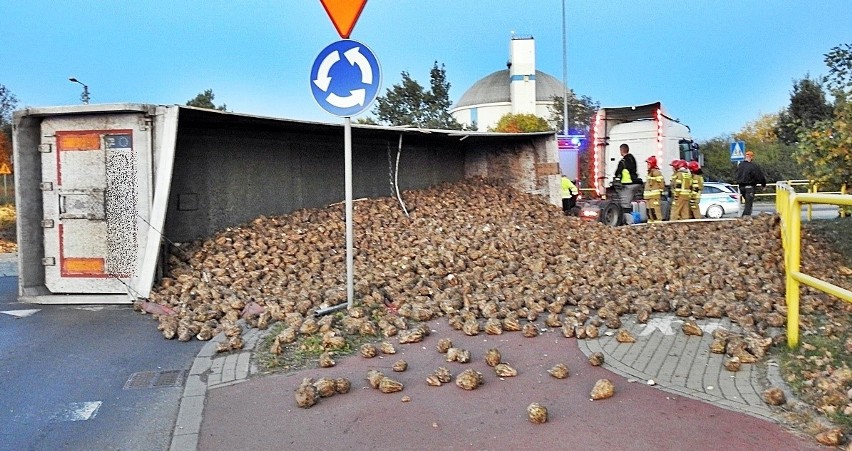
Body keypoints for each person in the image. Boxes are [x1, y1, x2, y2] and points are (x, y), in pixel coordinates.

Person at [735, 150, 766, 216]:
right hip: (750, 187)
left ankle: (746, 217)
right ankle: (745, 218)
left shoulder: (740, 165)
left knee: (747, 203)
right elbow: (759, 176)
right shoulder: (753, 166)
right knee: (748, 204)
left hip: (741, 187)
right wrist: (763, 185)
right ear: (751, 157)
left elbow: (736, 175)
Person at [614, 144, 642, 213]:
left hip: (627, 184)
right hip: (636, 183)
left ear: (621, 150)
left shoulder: (623, 162)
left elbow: (617, 173)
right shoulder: (632, 158)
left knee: (625, 205)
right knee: (632, 201)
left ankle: (628, 222)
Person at [643, 156, 665, 222]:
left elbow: (661, 183)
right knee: (649, 212)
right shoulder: (649, 173)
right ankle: (651, 224)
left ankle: (658, 225)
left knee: (656, 211)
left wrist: (660, 192)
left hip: (654, 197)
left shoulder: (656, 172)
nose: (647, 166)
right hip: (648, 197)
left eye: (648, 164)